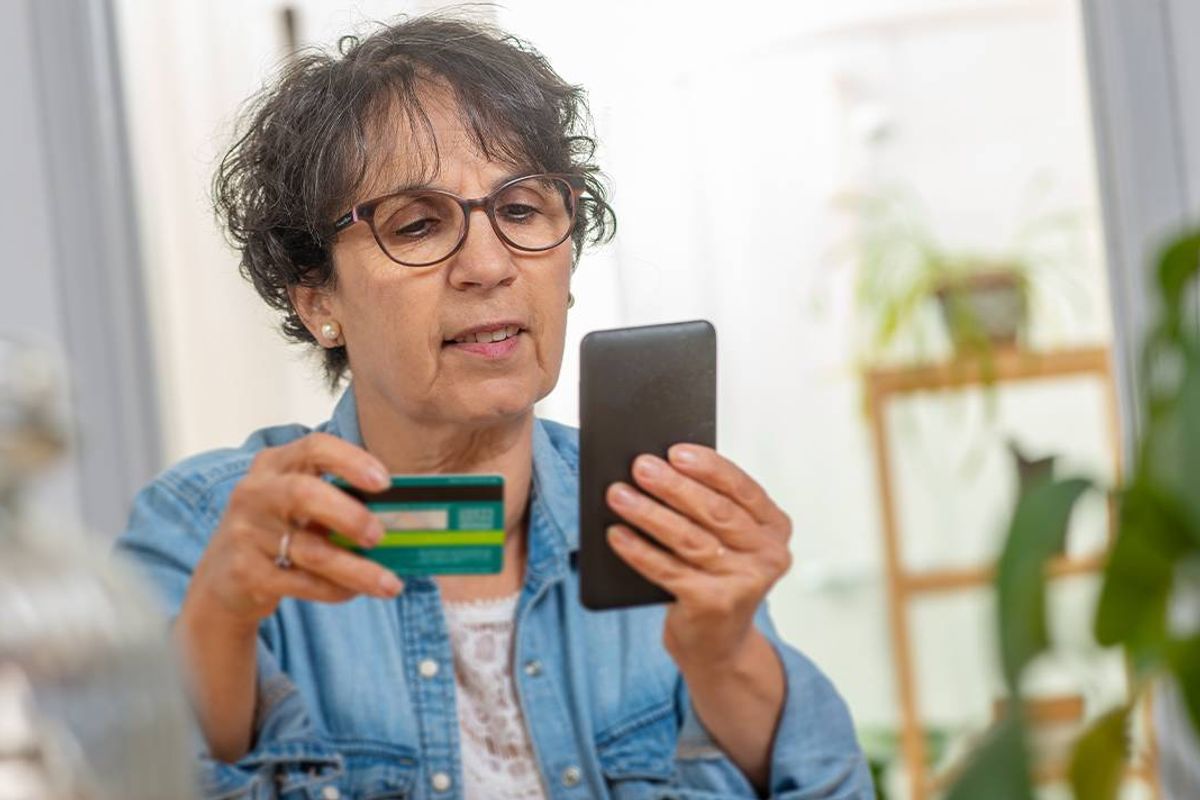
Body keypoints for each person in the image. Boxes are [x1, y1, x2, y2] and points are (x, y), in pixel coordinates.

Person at [116, 14, 872, 800]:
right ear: (317, 303)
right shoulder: (206, 531)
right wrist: (222, 617)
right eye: (415, 224)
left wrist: (724, 654)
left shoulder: (662, 514)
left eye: (519, 211)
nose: (488, 264)